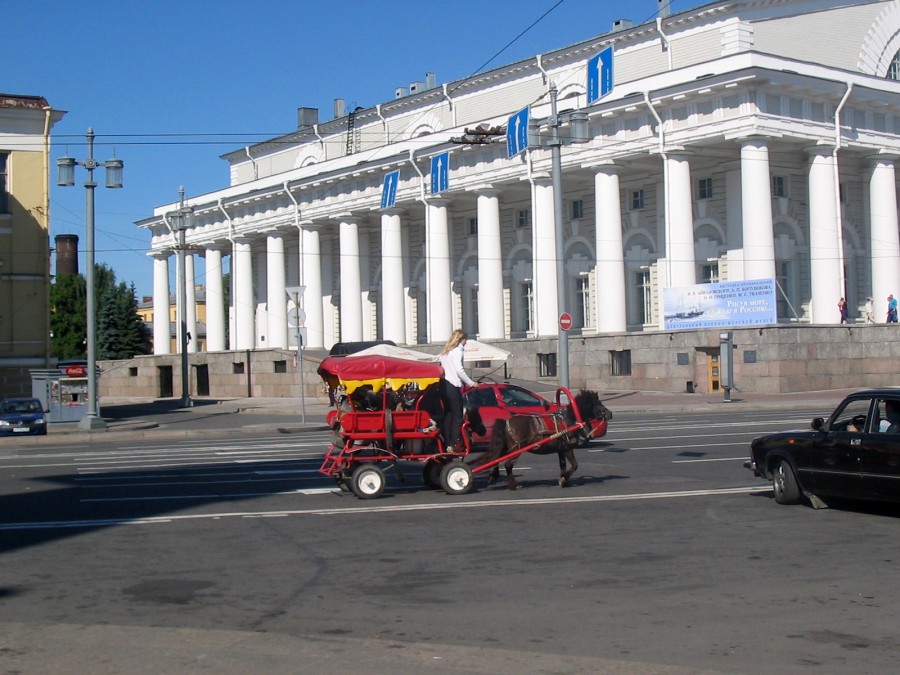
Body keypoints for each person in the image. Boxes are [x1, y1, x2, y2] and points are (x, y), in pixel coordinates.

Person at [438, 329, 475, 451]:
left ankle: (447, 442)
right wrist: (471, 383)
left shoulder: (445, 351)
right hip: (453, 385)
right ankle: (454, 443)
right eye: (465, 340)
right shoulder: (458, 350)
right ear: (461, 339)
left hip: (444, 384)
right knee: (458, 415)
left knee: (448, 414)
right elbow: (459, 370)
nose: (466, 342)